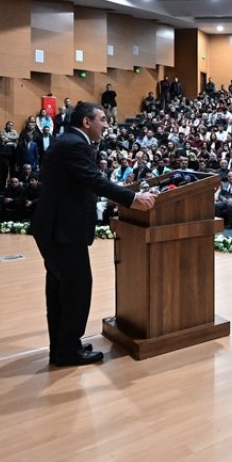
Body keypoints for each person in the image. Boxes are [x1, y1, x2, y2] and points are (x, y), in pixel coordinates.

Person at [31, 102, 154, 368]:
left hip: (56, 229)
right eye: (101, 119)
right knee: (76, 290)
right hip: (63, 231)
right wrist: (132, 197)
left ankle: (64, 346)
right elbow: (94, 181)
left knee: (60, 291)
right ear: (87, 122)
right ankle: (67, 351)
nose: (106, 124)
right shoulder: (76, 144)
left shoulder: (66, 141)